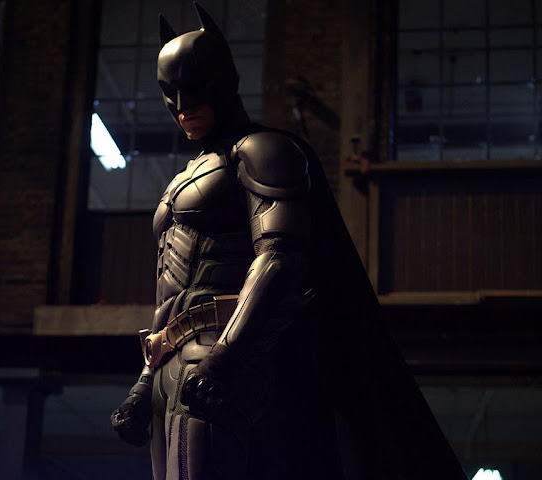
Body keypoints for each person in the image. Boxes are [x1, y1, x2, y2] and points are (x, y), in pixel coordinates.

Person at [112, 4, 469, 480]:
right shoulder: (183, 177)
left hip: (228, 354)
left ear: (222, 80)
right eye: (170, 92)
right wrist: (143, 383)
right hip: (172, 364)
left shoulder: (262, 150)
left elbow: (278, 258)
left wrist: (225, 358)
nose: (182, 105)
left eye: (193, 87)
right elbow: (169, 295)